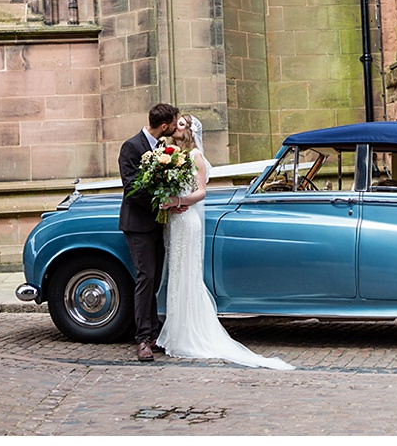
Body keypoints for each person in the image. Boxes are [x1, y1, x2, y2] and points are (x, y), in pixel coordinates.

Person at [156, 116, 294, 370]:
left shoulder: (195, 155)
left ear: (190, 131)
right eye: (176, 123)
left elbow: (200, 193)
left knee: (188, 274)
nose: (176, 127)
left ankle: (190, 334)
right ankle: (175, 331)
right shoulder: (172, 154)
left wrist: (177, 202)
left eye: (182, 124)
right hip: (175, 222)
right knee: (177, 274)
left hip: (187, 221)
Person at [118, 102, 179, 362]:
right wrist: (162, 198)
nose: (176, 127)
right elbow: (131, 187)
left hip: (157, 223)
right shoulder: (131, 147)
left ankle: (153, 333)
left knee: (154, 281)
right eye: (174, 123)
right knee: (145, 278)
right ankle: (142, 338)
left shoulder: (166, 149)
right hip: (138, 224)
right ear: (164, 126)